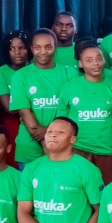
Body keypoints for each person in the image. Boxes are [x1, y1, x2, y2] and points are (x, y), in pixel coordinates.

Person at [9, 29, 72, 165]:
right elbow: (25, 113)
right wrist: (46, 142)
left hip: (63, 146)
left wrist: (49, 134)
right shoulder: (20, 76)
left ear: (55, 47)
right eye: (37, 47)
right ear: (31, 48)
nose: (43, 52)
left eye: (48, 47)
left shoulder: (69, 73)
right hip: (29, 148)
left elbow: (71, 110)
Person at [56, 38, 112, 183]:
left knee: (106, 194)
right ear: (81, 64)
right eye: (89, 60)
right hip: (78, 149)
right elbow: (61, 122)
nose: (95, 63)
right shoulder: (69, 88)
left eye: (99, 58)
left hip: (107, 150)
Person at [0, 31, 30, 165]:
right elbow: (10, 108)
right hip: (11, 125)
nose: (17, 52)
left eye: (21, 48)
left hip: (38, 123)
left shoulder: (36, 70)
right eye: (11, 49)